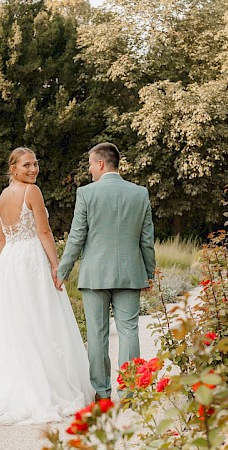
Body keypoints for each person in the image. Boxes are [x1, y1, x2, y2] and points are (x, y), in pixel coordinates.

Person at [0, 147, 95, 424]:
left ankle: (14, 385)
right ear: (14, 169)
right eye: (27, 165)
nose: (33, 169)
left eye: (35, 164)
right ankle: (40, 387)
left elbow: (0, 239)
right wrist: (56, 265)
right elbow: (43, 231)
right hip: (30, 261)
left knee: (16, 324)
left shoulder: (2, 196)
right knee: (40, 320)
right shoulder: (31, 192)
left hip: (9, 263)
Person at [56, 143, 155, 400]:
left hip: (96, 274)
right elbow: (147, 239)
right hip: (131, 273)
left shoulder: (87, 194)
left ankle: (102, 393)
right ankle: (130, 391)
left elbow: (77, 236)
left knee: (97, 334)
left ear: (101, 163)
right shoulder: (140, 193)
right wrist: (150, 273)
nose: (89, 170)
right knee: (129, 331)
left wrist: (63, 269)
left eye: (90, 164)